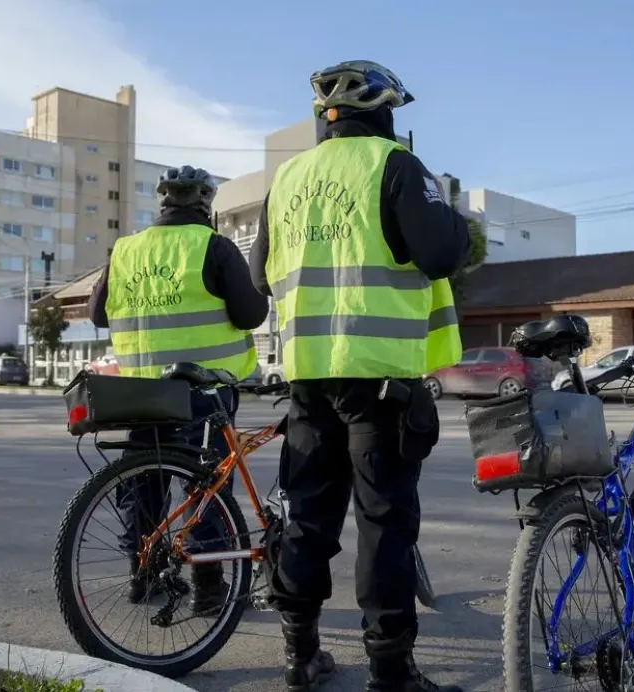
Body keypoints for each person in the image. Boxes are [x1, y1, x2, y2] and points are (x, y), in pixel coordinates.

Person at [248, 60, 469, 692]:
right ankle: (391, 673)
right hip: (379, 382)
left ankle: (301, 655)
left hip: (310, 378)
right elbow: (442, 253)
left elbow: (262, 278)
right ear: (387, 111)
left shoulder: (287, 178)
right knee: (384, 526)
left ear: (326, 118)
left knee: (307, 521)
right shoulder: (395, 165)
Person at [88, 165, 269, 615]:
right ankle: (210, 589)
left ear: (163, 202)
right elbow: (251, 315)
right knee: (204, 486)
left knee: (144, 482)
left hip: (140, 393)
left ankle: (142, 575)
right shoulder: (214, 247)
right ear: (206, 203)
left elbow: (96, 313)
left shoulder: (126, 250)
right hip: (201, 393)